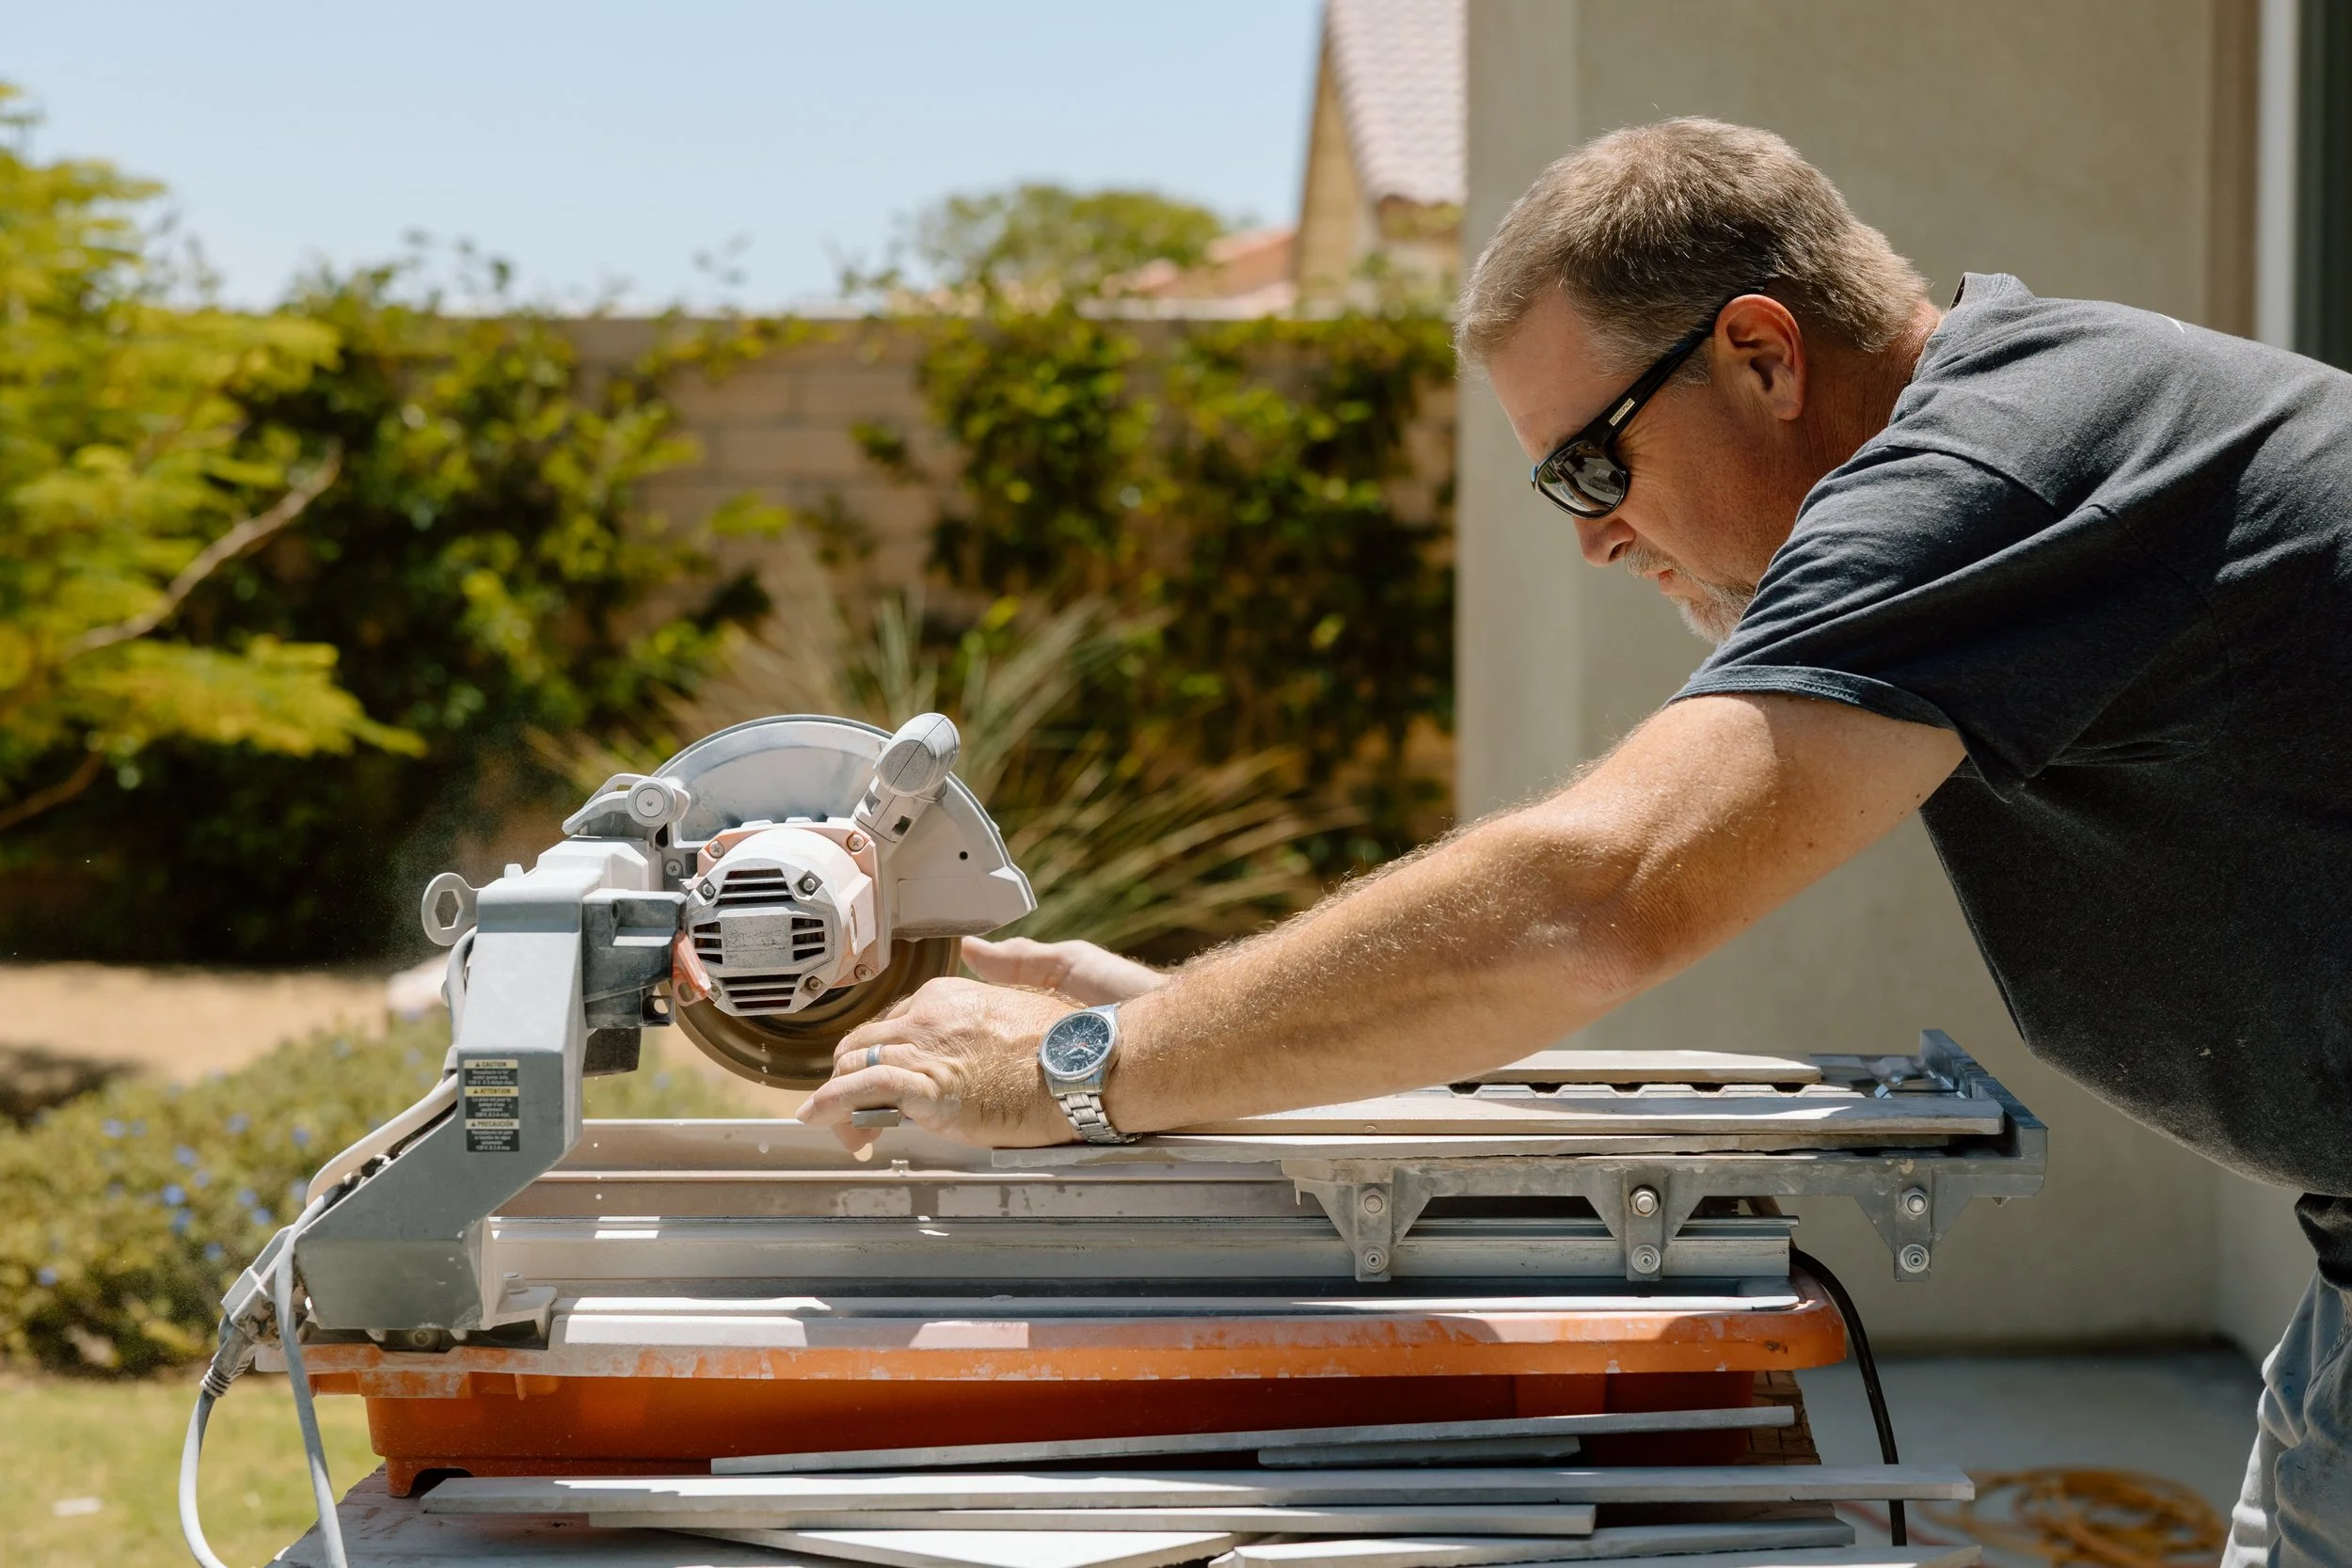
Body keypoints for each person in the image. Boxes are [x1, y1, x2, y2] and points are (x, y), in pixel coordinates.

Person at [797, 119, 2352, 1562]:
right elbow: (1552, 923)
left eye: (1590, 465)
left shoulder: (1992, 468)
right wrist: (1187, 1019)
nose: (1595, 531)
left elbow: (1592, 899)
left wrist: (1074, 1070)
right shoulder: (2020, 438)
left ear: (1759, 351)